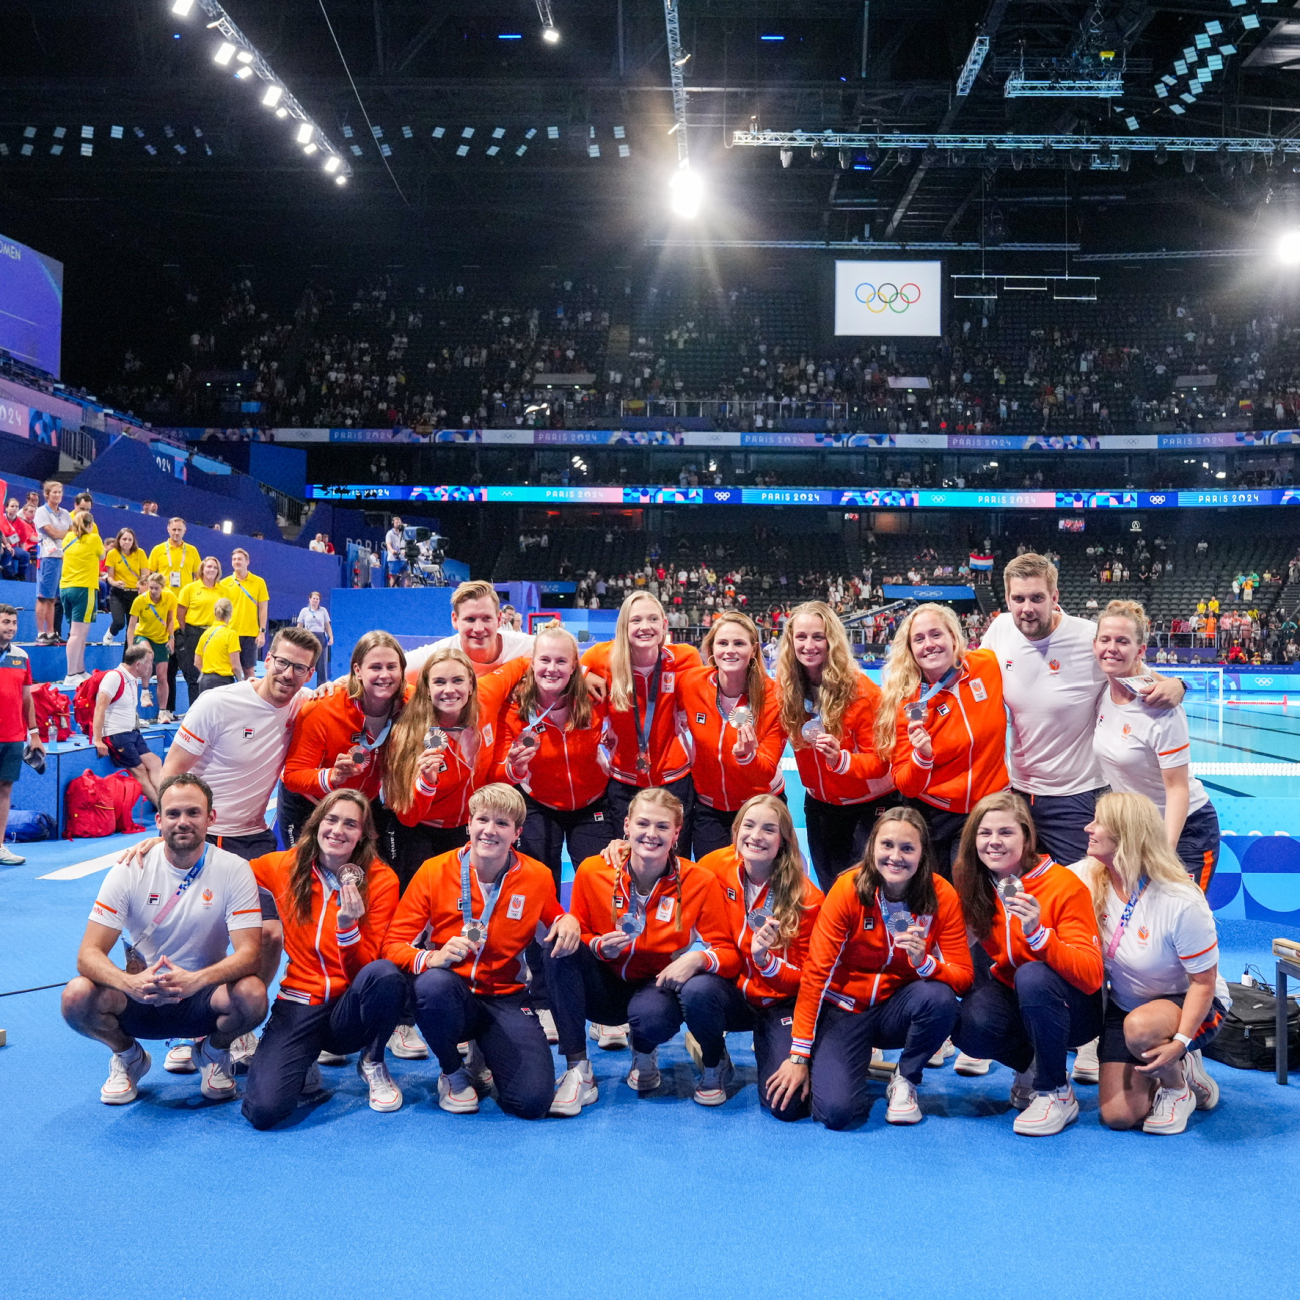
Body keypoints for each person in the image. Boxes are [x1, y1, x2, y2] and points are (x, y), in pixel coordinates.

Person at [60, 774, 268, 1105]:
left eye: (193, 813)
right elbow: (88, 954)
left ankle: (213, 1052)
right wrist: (130, 983)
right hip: (142, 995)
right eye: (173, 814)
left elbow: (250, 954)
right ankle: (129, 1057)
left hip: (203, 997)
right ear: (158, 820)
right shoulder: (130, 869)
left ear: (210, 818)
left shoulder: (234, 869)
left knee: (253, 995)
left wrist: (195, 980)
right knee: (76, 997)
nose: (182, 822)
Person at [766, 807, 972, 1129]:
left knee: (940, 998)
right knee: (836, 1113)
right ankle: (848, 1058)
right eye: (887, 845)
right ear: (872, 847)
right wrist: (798, 1055)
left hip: (895, 1010)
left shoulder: (940, 894)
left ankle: (905, 1079)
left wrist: (926, 964)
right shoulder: (848, 889)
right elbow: (816, 973)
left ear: (922, 854)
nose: (895, 856)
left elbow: (962, 977)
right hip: (845, 1010)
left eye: (907, 848)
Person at [383, 784, 580, 1118]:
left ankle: (485, 1052)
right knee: (432, 985)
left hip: (505, 997)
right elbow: (393, 944)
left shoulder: (536, 876)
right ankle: (452, 1072)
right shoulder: (434, 872)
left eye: (502, 824)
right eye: (482, 820)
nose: (489, 830)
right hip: (452, 994)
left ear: (517, 832)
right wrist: (432, 957)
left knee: (532, 1102)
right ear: (469, 825)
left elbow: (555, 920)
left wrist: (568, 919)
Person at [981, 554, 1187, 865]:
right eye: (1018, 598)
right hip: (1019, 793)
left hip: (1076, 796)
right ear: (1007, 599)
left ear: (1054, 597)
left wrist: (1178, 684)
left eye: (1037, 598)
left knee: (1081, 892)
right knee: (1024, 890)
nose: (1027, 608)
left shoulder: (1088, 638)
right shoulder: (1000, 630)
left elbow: (1135, 668)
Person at [546, 786, 739, 1107]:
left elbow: (728, 954)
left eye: (662, 826)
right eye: (643, 824)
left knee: (652, 1017)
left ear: (677, 833)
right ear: (626, 827)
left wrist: (697, 959)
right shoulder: (593, 871)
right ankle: (578, 1069)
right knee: (558, 947)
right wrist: (596, 946)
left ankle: (645, 1048)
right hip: (604, 986)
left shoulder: (699, 880)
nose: (651, 834)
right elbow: (578, 930)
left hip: (656, 987)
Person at [241, 790, 406, 1127]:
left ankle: (373, 1061)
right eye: (331, 819)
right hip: (301, 1002)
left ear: (362, 834)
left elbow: (366, 970)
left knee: (385, 974)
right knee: (264, 1111)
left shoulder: (381, 880)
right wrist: (163, 847)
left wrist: (347, 929)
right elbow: (224, 871)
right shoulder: (284, 866)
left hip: (349, 1009)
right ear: (316, 824)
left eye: (350, 824)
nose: (338, 830)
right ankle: (303, 1059)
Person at [952, 792, 1104, 1137]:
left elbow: (1091, 977)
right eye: (984, 833)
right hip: (1018, 998)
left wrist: (1039, 935)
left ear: (1026, 837)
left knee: (1033, 974)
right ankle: (1033, 1066)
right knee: (965, 1022)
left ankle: (1056, 1092)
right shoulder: (976, 882)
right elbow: (957, 945)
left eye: (1006, 833)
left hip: (1075, 1008)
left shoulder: (1063, 884)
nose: (994, 842)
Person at [1074, 791, 1227, 1135]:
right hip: (1124, 1006)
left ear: (1125, 834)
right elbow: (1038, 884)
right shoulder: (1089, 874)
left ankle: (1177, 1087)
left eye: (1099, 822)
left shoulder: (1180, 899)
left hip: (1191, 1004)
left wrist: (1181, 1042)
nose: (1088, 828)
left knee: (1141, 1028)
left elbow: (1203, 983)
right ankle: (1179, 1070)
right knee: (1118, 1116)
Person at [493, 622, 610, 1040]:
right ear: (532, 663)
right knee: (533, 896)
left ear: (576, 665)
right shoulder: (515, 706)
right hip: (538, 804)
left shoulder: (595, 698)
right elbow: (507, 767)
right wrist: (515, 767)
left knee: (600, 892)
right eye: (544, 660)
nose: (552, 668)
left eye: (562, 661)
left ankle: (604, 1003)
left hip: (593, 805)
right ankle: (541, 995)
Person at [692, 795, 824, 1114]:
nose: (756, 836)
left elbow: (809, 981)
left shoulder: (807, 899)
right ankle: (714, 1058)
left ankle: (779, 1047)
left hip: (779, 1001)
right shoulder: (714, 867)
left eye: (769, 829)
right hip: (733, 994)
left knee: (788, 1106)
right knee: (696, 991)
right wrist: (622, 848)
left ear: (783, 841)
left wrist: (767, 962)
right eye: (749, 826)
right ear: (736, 831)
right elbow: (670, 876)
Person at [163, 626, 321, 862]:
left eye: (299, 668)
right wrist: (168, 835)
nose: (288, 674)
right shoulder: (217, 703)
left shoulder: (305, 703)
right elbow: (171, 772)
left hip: (255, 836)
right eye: (282, 662)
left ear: (309, 674)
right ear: (267, 660)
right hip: (206, 835)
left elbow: (351, 689)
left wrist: (333, 686)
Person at [1092, 600, 1221, 890]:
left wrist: (1162, 853)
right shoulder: (1103, 687)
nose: (1112, 647)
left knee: (1181, 923)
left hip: (1185, 830)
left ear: (1139, 651)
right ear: (1095, 645)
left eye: (1122, 641)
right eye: (1105, 639)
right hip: (1134, 831)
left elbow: (1178, 789)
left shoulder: (1160, 707)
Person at [877, 603, 1009, 874]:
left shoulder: (986, 665)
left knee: (983, 900)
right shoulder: (907, 701)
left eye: (936, 634)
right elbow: (906, 785)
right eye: (919, 639)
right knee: (943, 901)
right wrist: (922, 757)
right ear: (911, 649)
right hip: (936, 817)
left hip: (990, 809)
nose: (929, 644)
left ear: (953, 636)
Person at [776, 600, 892, 892]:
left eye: (818, 636)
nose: (809, 645)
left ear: (832, 641)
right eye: (801, 637)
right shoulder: (788, 690)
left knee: (863, 895)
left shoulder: (862, 692)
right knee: (831, 893)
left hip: (868, 808)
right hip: (820, 806)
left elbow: (882, 762)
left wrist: (844, 762)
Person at [580, 592, 703, 848]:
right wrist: (582, 674)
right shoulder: (601, 658)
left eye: (652, 619)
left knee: (675, 860)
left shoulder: (685, 658)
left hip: (675, 779)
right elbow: (559, 664)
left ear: (664, 625)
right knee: (627, 860)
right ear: (623, 627)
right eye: (635, 620)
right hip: (624, 782)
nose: (645, 627)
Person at [280, 631, 407, 851]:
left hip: (363, 804)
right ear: (357, 670)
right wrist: (333, 776)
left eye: (391, 667)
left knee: (362, 874)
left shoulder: (410, 705)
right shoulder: (322, 707)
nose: (384, 675)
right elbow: (293, 775)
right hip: (310, 804)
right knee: (305, 877)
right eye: (375, 667)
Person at [676, 612, 787, 860]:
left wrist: (748, 757)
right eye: (723, 643)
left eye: (739, 643)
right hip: (709, 809)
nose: (730, 651)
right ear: (711, 649)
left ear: (754, 649)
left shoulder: (774, 697)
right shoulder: (692, 683)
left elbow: (767, 769)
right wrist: (588, 672)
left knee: (766, 885)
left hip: (761, 807)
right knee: (713, 884)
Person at [405, 580, 534, 678]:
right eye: (470, 619)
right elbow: (395, 670)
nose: (478, 629)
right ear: (455, 620)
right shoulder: (437, 656)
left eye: (486, 618)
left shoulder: (527, 647)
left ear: (499, 619)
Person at [92, 643, 163, 808]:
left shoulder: (132, 679)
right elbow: (99, 708)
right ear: (138, 664)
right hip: (117, 734)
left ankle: (167, 801)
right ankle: (163, 809)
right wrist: (98, 739)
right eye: (149, 662)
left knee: (154, 762)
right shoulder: (114, 678)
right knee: (139, 771)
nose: (151, 666)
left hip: (132, 732)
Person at [0, 603, 42, 866]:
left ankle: (0, 846)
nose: (11, 628)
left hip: (13, 736)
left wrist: (34, 733)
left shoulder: (21, 657)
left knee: (5, 789)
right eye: (5, 622)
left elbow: (27, 698)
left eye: (14, 623)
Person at [59, 510, 104, 686]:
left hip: (66, 588)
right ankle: (70, 674)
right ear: (90, 525)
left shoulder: (67, 538)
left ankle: (79, 670)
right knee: (77, 634)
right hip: (84, 588)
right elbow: (102, 556)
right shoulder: (94, 538)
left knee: (80, 632)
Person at [126, 572, 177, 723]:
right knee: (149, 654)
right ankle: (145, 692)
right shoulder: (140, 601)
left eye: (156, 588)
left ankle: (162, 712)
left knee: (162, 676)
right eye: (150, 588)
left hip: (161, 638)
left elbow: (170, 619)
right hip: (143, 635)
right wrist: (131, 647)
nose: (153, 591)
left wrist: (171, 638)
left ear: (162, 588)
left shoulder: (170, 598)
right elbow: (131, 626)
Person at [176, 556, 224, 705]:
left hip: (214, 634)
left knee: (214, 673)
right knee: (194, 674)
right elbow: (180, 612)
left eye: (214, 568)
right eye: (208, 567)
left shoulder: (224, 590)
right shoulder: (190, 588)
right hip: (193, 633)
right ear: (202, 569)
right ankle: (194, 710)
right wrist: (187, 631)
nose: (211, 570)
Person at [219, 549, 269, 678]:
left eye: (240, 559)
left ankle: (249, 697)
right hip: (229, 633)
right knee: (228, 670)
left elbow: (263, 608)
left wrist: (262, 632)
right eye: (234, 559)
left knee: (249, 671)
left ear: (247, 561)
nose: (237, 562)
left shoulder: (259, 582)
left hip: (250, 634)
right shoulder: (224, 583)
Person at [33, 479, 71, 644]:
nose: (57, 495)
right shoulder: (41, 511)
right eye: (54, 492)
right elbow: (53, 534)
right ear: (47, 494)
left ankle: (51, 632)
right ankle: (41, 632)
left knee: (54, 598)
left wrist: (61, 533)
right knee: (43, 597)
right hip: (48, 557)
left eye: (59, 492)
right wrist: (64, 533)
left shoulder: (65, 513)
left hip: (62, 557)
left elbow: (71, 533)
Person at [103, 526, 148, 645]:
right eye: (124, 539)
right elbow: (110, 577)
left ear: (133, 541)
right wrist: (115, 583)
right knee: (119, 622)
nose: (127, 542)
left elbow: (145, 575)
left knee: (132, 628)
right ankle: (111, 632)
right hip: (118, 593)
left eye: (129, 539)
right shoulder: (112, 554)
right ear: (119, 540)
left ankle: (128, 656)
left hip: (135, 594)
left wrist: (142, 588)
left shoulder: (140, 553)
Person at [193, 598, 243, 698]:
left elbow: (197, 662)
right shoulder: (231, 634)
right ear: (231, 613)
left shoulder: (205, 634)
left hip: (205, 683)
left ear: (215, 613)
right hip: (223, 683)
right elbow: (235, 666)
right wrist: (241, 683)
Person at [296, 592, 333, 686]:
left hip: (321, 636)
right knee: (308, 660)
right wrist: (297, 638)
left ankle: (321, 685)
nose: (315, 600)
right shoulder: (304, 611)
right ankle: (306, 683)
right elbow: (299, 626)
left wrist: (331, 637)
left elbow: (327, 625)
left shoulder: (323, 611)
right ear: (309, 599)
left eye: (317, 599)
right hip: (308, 636)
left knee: (322, 663)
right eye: (314, 598)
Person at [0, 499, 31, 582]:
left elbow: (22, 542)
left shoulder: (22, 524)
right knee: (8, 553)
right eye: (12, 506)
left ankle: (21, 575)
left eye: (16, 506)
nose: (14, 508)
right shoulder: (1, 519)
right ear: (6, 508)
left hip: (14, 547)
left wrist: (22, 552)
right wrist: (4, 545)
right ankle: (8, 574)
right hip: (3, 546)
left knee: (26, 555)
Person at [384, 515, 408, 587]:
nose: (398, 524)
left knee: (406, 575)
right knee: (394, 577)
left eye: (399, 522)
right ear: (393, 524)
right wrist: (392, 550)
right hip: (393, 559)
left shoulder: (404, 533)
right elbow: (388, 544)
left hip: (403, 559)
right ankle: (391, 591)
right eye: (397, 522)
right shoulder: (389, 533)